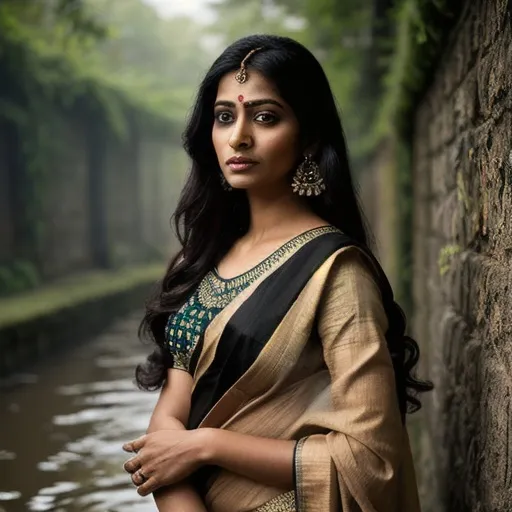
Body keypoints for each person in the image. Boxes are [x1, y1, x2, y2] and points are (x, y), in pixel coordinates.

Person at [122, 34, 432, 512]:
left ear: (307, 136)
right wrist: (177, 479)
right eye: (225, 117)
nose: (238, 136)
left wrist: (208, 446)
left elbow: (371, 461)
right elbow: (168, 423)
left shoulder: (336, 272)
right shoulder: (199, 261)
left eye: (264, 117)